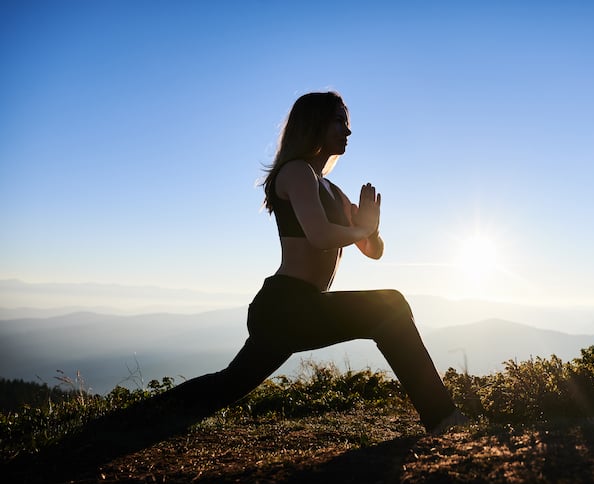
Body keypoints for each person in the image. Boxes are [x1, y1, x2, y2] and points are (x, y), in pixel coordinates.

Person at [155, 91, 466, 433]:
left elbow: (372, 250)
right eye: (338, 122)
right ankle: (443, 418)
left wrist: (371, 229)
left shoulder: (332, 190)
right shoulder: (296, 173)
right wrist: (361, 227)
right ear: (313, 123)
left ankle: (145, 416)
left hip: (301, 308)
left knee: (226, 385)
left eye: (347, 124)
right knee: (390, 305)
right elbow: (319, 236)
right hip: (285, 305)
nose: (347, 132)